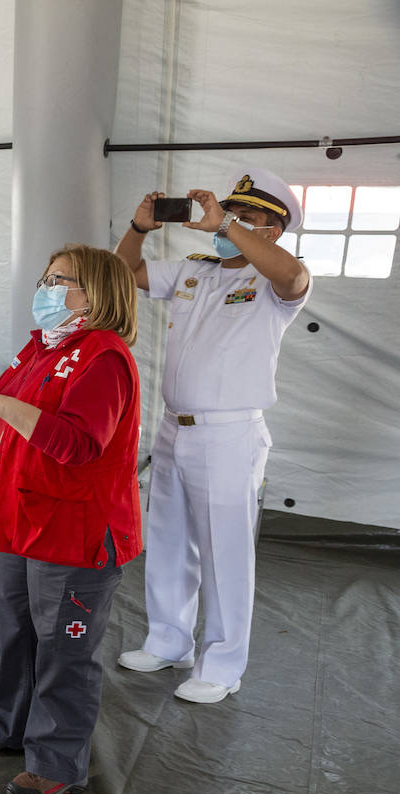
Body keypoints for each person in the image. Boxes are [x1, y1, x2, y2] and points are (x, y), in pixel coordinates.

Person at [0, 244, 142, 794]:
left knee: (64, 649)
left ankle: (57, 759)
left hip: (74, 531)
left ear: (95, 296)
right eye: (46, 278)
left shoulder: (104, 357)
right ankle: (9, 725)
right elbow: (9, 408)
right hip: (26, 520)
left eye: (60, 280)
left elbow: (76, 442)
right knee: (18, 633)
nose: (45, 289)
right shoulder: (44, 347)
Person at [114, 170, 310, 704]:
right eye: (231, 214)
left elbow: (292, 275)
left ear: (273, 231)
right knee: (171, 540)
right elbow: (123, 272)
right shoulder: (193, 272)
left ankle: (222, 665)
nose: (230, 226)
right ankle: (168, 640)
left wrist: (228, 225)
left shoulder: (274, 283)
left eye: (249, 219)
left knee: (225, 551)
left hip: (229, 435)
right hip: (174, 427)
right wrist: (139, 226)